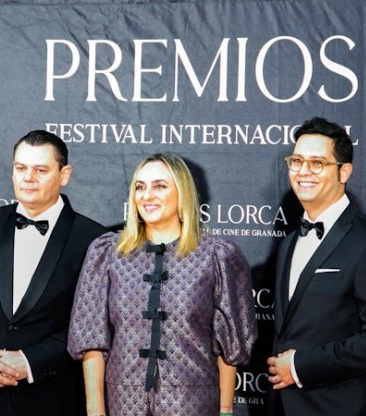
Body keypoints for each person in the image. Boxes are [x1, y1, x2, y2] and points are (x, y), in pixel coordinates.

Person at [68, 153, 258, 416]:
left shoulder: (217, 256)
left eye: (159, 186)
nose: (147, 195)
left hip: (195, 405)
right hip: (122, 404)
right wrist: (95, 410)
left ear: (182, 193)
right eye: (140, 186)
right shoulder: (107, 253)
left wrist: (224, 410)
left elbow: (229, 345)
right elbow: (91, 340)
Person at [0, 130, 107, 416]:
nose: (28, 178)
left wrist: (31, 361)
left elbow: (93, 329)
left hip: (50, 398)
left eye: (40, 170)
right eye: (21, 168)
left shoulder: (94, 239)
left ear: (64, 175)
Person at [267, 117, 366, 416]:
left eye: (317, 163)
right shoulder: (289, 243)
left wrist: (298, 365)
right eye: (297, 160)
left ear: (344, 171)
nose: (303, 171)